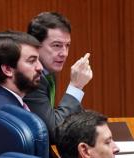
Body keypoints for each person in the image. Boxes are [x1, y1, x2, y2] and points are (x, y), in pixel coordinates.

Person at [24, 12, 93, 143]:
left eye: (67, 45)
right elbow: (54, 132)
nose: (64, 53)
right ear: (35, 46)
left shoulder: (47, 72)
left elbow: (51, 117)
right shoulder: (30, 77)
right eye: (57, 45)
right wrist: (76, 87)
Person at [0, 30, 43, 110]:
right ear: (8, 69)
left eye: (38, 60)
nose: (40, 67)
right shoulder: (10, 115)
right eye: (32, 61)